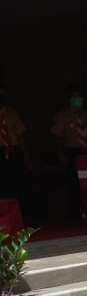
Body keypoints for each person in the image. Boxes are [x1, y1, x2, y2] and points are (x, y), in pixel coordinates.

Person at [51, 84, 87, 225]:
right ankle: (75, 212)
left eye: (79, 97)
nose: (77, 100)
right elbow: (57, 137)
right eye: (74, 97)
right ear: (68, 99)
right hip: (73, 152)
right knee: (74, 183)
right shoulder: (62, 116)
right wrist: (61, 157)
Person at [0, 86, 34, 226]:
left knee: (18, 184)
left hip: (14, 149)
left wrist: (26, 157)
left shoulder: (11, 112)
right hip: (0, 151)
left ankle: (21, 217)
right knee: (3, 185)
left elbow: (20, 136)